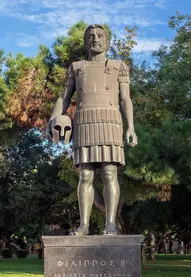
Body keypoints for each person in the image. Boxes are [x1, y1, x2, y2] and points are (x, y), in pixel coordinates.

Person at [48, 24, 137, 235]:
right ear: (85, 41)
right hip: (84, 122)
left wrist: (131, 126)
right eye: (90, 36)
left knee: (109, 172)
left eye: (99, 35)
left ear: (107, 41)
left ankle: (110, 225)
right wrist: (53, 118)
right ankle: (84, 226)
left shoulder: (118, 66)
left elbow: (125, 99)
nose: (95, 39)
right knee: (85, 175)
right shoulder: (76, 67)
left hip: (110, 122)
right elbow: (64, 97)